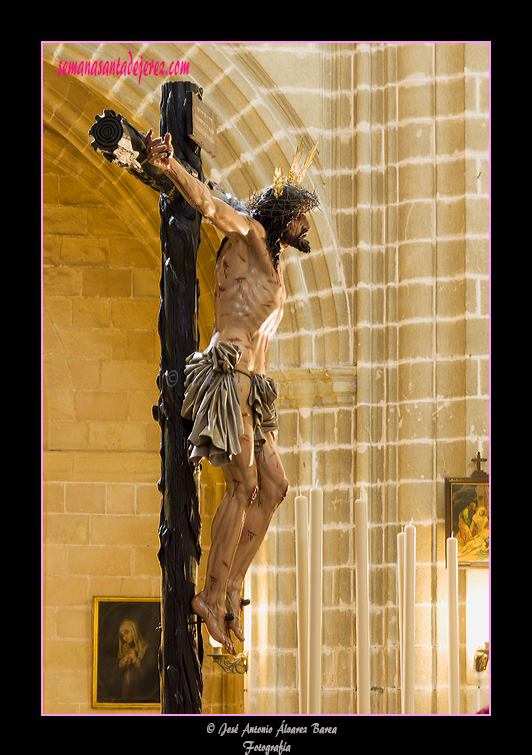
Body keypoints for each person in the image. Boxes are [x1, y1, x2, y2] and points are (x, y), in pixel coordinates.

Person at [146, 129, 319, 654]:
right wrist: (171, 166)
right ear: (280, 216)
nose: (306, 224)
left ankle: (234, 586)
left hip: (255, 389)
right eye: (299, 214)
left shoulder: (277, 264)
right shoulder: (247, 235)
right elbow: (205, 203)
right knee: (242, 484)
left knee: (275, 488)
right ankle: (211, 593)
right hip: (230, 375)